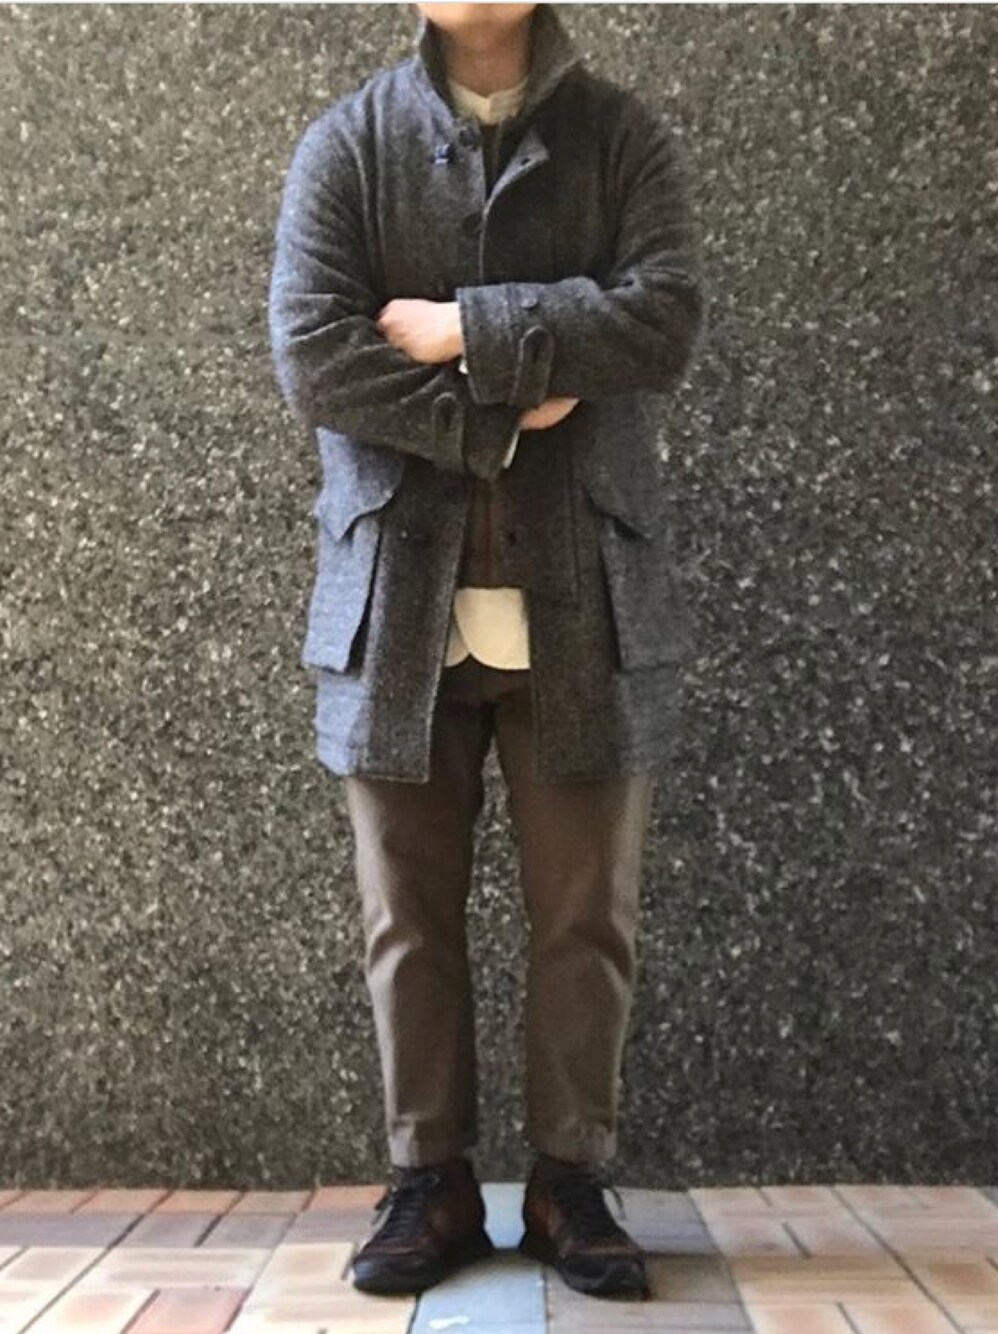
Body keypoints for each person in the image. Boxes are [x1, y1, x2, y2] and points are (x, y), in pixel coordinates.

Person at [267, 0, 706, 1305]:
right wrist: (505, 417)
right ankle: (432, 1181)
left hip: (587, 603)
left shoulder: (619, 137)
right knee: (405, 920)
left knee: (588, 921)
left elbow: (664, 319)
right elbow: (315, 354)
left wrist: (466, 328)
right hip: (394, 605)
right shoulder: (347, 147)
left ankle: (573, 1180)